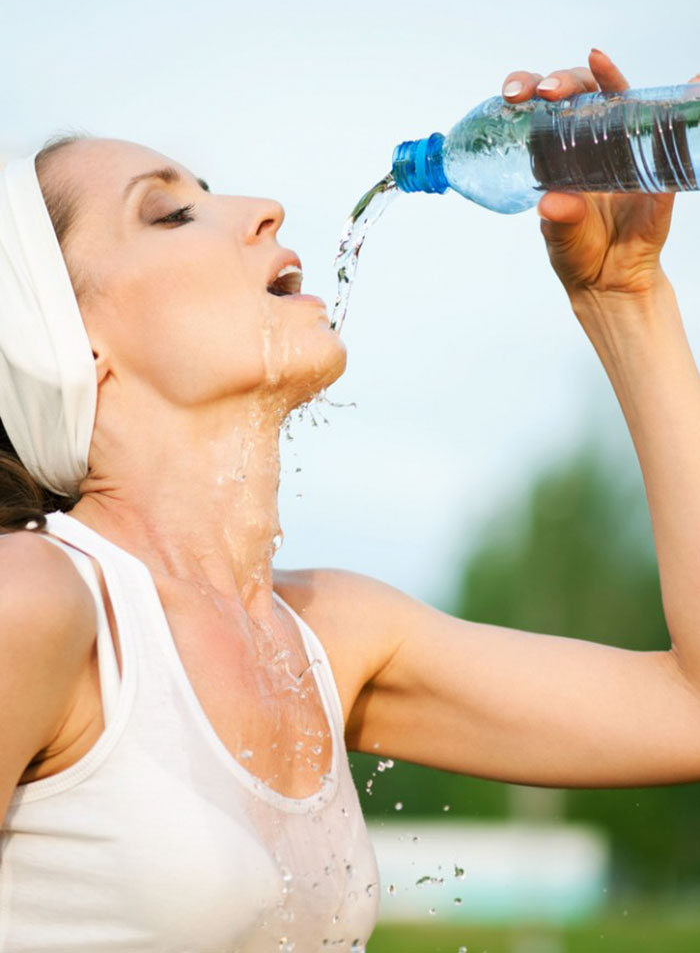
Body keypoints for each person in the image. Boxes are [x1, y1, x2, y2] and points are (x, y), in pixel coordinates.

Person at [1, 48, 700, 953]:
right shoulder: (41, 605)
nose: (264, 210)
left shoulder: (333, 635)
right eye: (171, 212)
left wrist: (625, 295)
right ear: (70, 346)